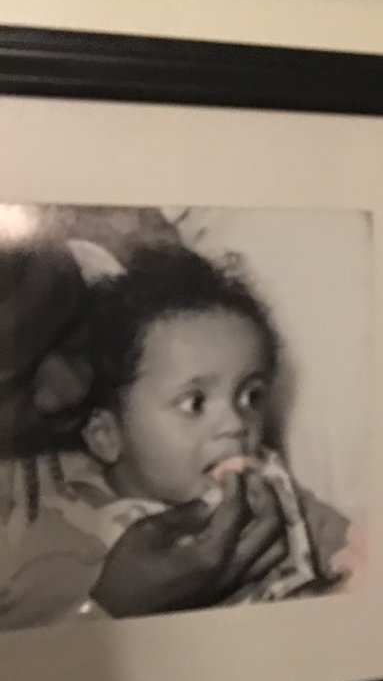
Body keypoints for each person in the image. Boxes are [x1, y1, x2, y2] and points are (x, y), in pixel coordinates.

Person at [0, 241, 350, 630]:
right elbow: (35, 644)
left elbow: (350, 551)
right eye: (195, 403)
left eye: (250, 396)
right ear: (106, 436)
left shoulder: (268, 480)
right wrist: (110, 606)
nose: (236, 422)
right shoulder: (66, 530)